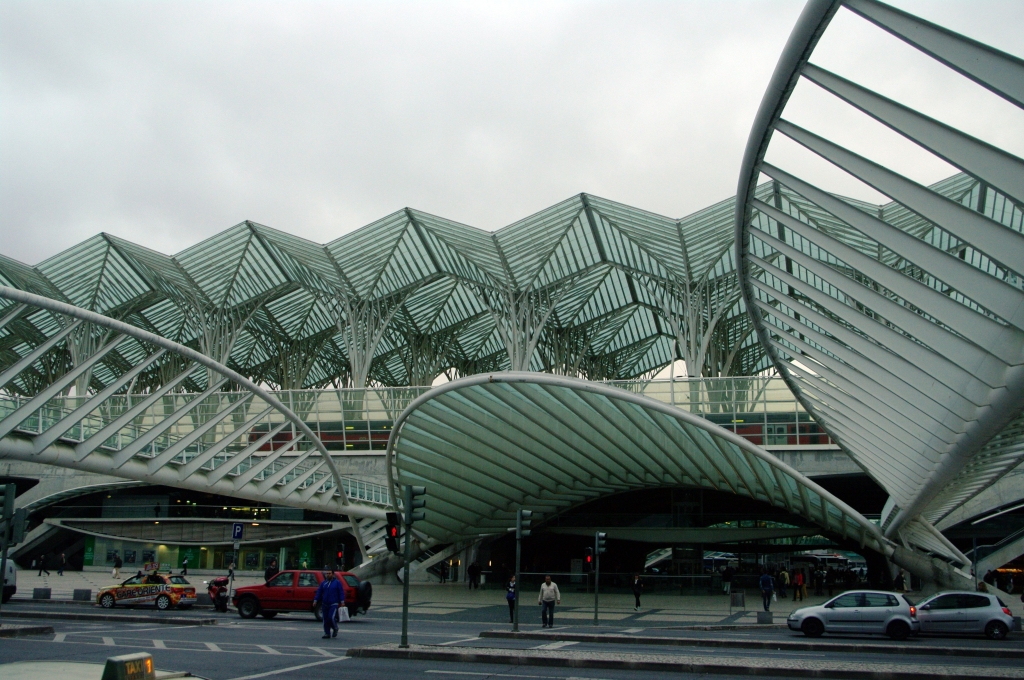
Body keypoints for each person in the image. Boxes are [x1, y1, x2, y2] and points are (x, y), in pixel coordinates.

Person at [313, 569, 344, 640]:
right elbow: (319, 592)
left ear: (333, 574)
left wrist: (342, 601)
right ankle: (327, 633)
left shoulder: (337, 583)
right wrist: (315, 600)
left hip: (333, 603)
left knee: (331, 617)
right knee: (325, 619)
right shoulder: (323, 583)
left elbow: (341, 592)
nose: (328, 575)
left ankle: (335, 628)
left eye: (329, 573)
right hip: (325, 604)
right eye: (327, 573)